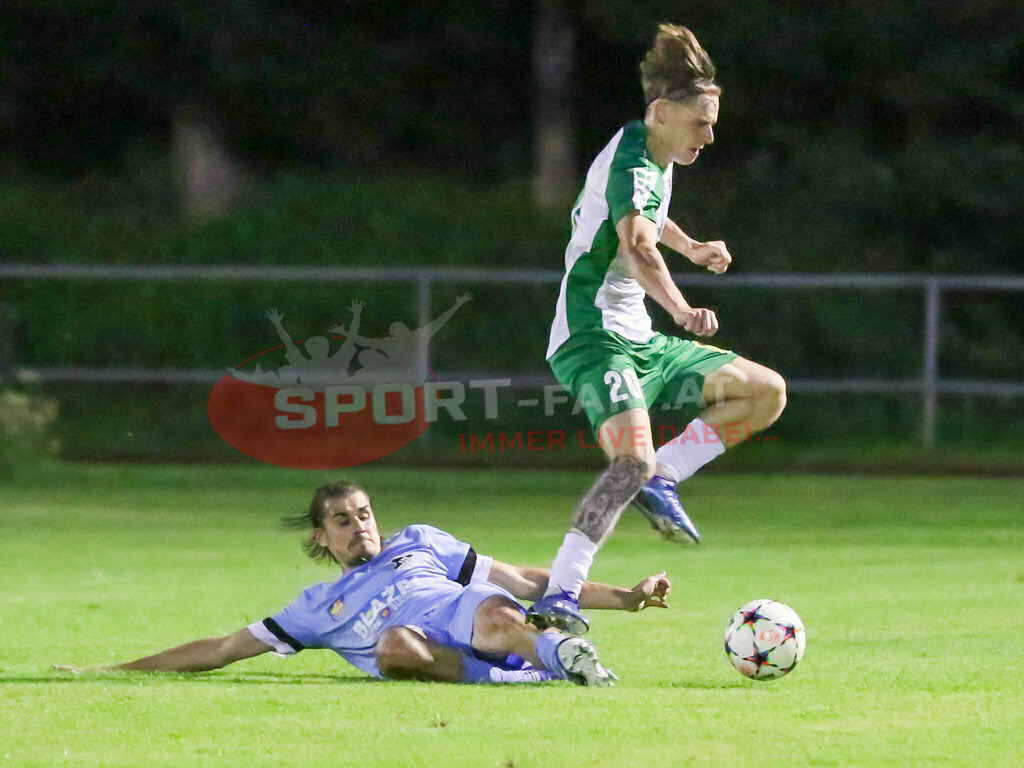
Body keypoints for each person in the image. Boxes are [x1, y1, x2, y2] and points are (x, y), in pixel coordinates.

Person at [528, 24, 787, 636]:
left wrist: (692, 246)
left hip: (637, 337)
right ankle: (560, 593)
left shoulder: (652, 154)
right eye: (702, 122)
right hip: (591, 336)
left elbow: (649, 218)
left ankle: (665, 476)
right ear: (663, 112)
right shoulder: (634, 161)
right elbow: (638, 246)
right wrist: (681, 307)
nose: (710, 135)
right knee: (627, 465)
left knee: (765, 392)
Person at [56, 481, 671, 686]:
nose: (360, 526)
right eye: (342, 521)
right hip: (430, 651)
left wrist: (627, 597)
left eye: (364, 513)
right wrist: (115, 671)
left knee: (491, 611)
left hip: (470, 614)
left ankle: (562, 658)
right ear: (322, 537)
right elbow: (220, 650)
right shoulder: (315, 608)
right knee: (393, 646)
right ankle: (537, 665)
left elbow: (529, 579)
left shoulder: (421, 543)